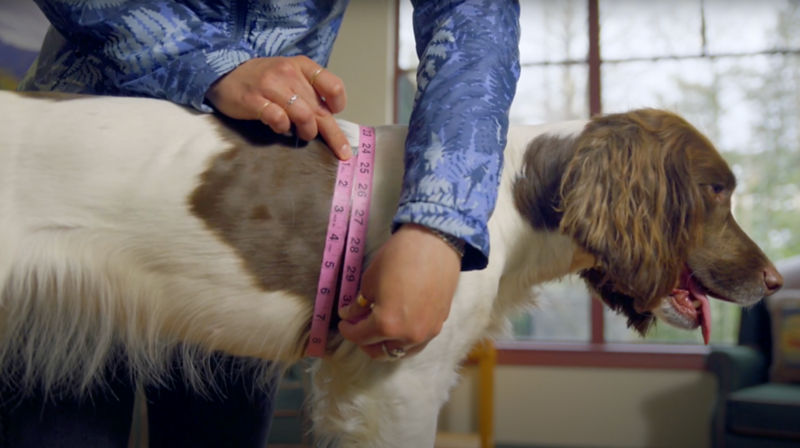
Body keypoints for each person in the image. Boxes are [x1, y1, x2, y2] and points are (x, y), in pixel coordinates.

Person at [12, 1, 521, 446]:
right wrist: (205, 63)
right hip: (66, 186)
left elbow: (473, 19)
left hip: (254, 215)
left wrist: (439, 225)